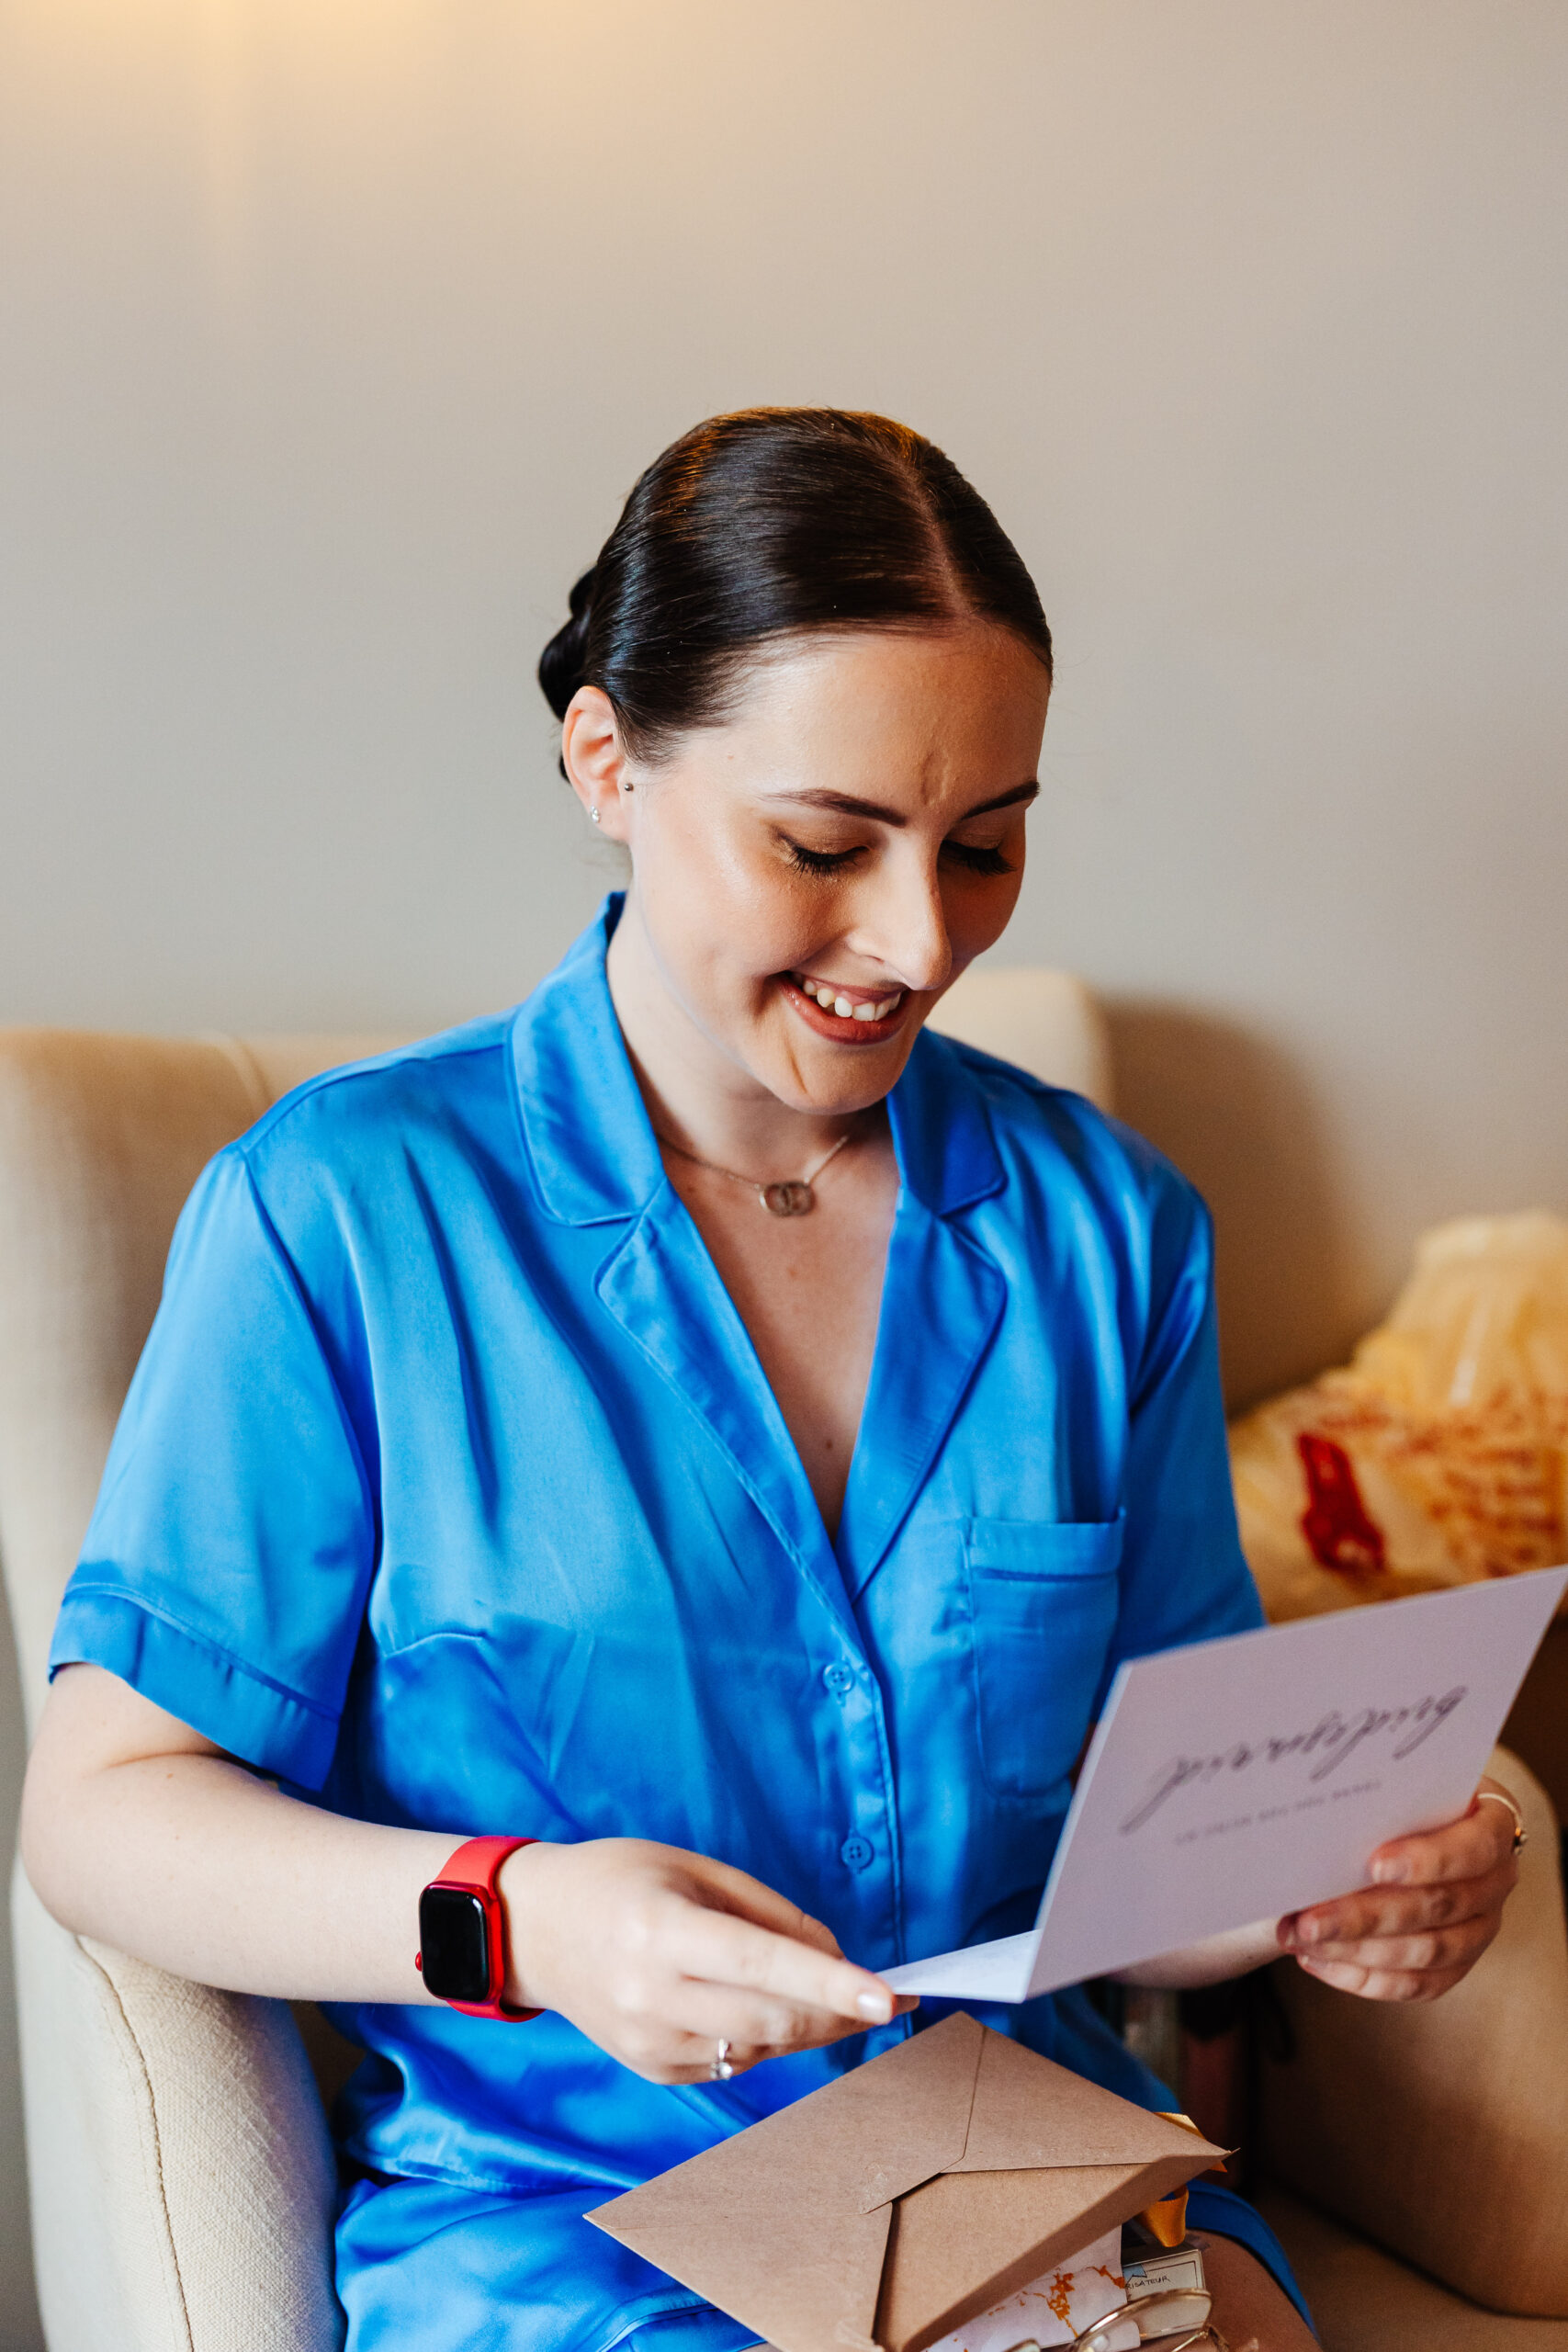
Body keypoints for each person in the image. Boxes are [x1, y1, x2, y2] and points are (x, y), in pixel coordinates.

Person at [22, 410, 1521, 2352]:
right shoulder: (343, 1214)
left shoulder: (1104, 1229)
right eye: (822, 845)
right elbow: (105, 1809)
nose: (913, 941)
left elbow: (1156, 1858)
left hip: (1027, 2168)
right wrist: (524, 1915)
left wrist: (1339, 1884)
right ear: (606, 762)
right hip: (574, 2216)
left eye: (983, 845)